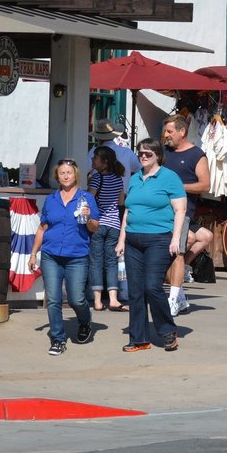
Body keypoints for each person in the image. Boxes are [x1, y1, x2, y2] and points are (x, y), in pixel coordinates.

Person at [116, 138, 184, 352]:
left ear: (158, 155)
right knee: (135, 291)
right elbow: (128, 210)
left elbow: (180, 210)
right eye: (140, 153)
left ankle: (168, 331)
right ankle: (139, 339)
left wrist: (176, 238)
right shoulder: (135, 178)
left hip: (159, 238)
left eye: (148, 153)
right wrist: (121, 239)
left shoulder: (170, 177)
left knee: (152, 286)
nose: (143, 156)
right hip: (133, 240)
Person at [31, 159, 100, 355]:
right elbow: (43, 228)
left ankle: (85, 321)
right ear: (57, 177)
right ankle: (58, 339)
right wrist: (33, 253)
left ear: (75, 174)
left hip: (77, 256)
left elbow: (95, 227)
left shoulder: (86, 198)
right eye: (62, 173)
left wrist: (88, 218)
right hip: (51, 255)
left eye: (69, 172)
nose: (66, 176)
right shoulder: (51, 199)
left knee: (76, 298)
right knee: (53, 299)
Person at [161, 114, 211, 316]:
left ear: (182, 132)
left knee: (179, 253)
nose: (166, 135)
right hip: (161, 211)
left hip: (182, 212)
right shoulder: (164, 152)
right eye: (165, 131)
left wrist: (178, 187)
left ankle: (174, 294)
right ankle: (179, 291)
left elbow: (205, 185)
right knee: (195, 240)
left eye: (169, 131)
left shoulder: (197, 155)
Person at [86, 145, 126, 312]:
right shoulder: (118, 179)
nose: (92, 160)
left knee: (96, 261)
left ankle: (97, 301)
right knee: (111, 262)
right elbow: (121, 202)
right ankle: (113, 299)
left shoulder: (97, 179)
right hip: (114, 225)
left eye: (95, 158)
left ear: (105, 162)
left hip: (98, 224)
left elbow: (88, 199)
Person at [87, 119, 135, 189]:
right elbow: (139, 170)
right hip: (123, 193)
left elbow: (84, 169)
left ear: (98, 137)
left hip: (99, 193)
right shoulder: (128, 152)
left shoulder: (94, 152)